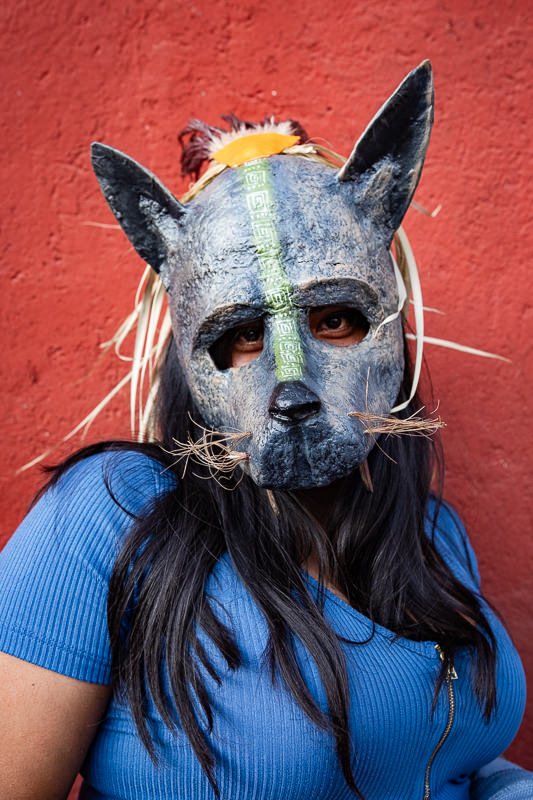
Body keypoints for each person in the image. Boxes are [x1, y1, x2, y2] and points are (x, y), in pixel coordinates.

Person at [0, 61, 531, 800]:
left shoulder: (432, 534)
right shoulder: (110, 518)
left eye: (335, 318)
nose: (292, 383)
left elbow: (451, 766)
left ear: (390, 323)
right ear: (189, 358)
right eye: (242, 333)